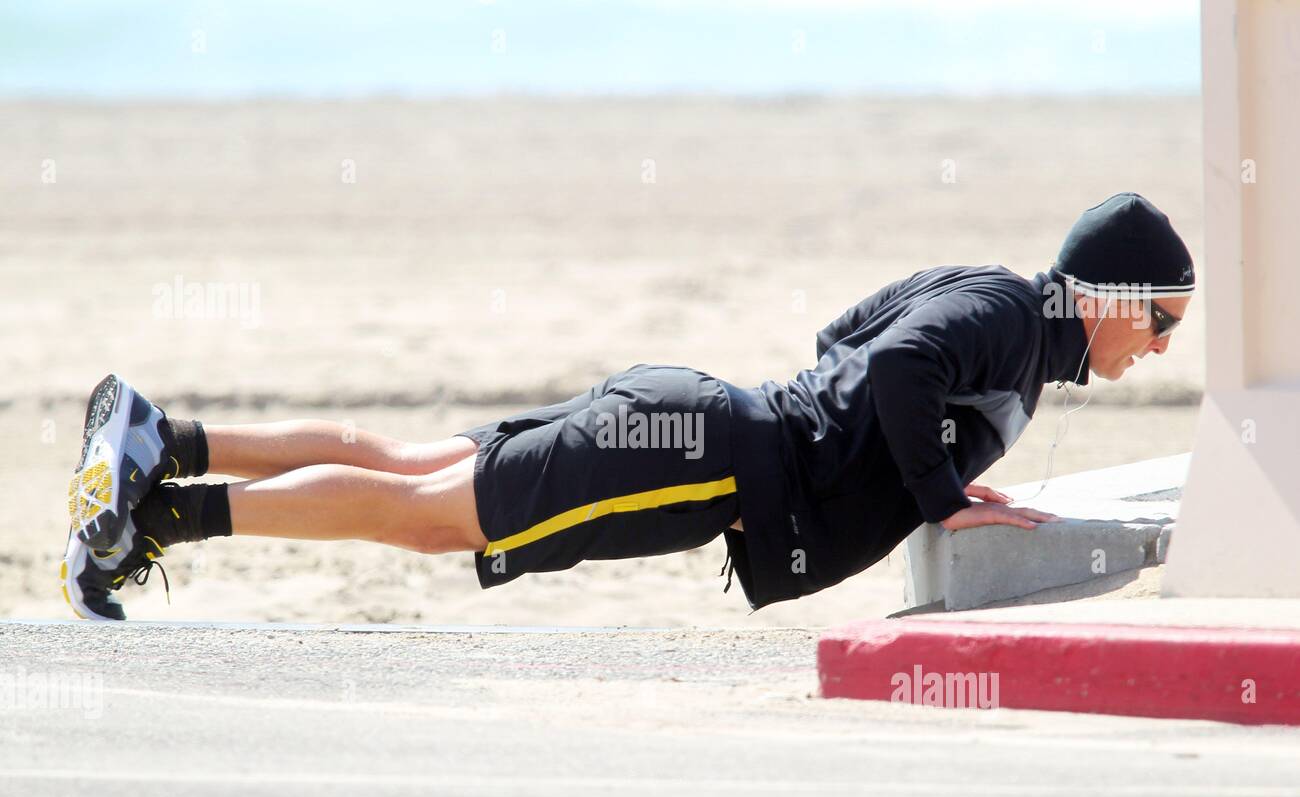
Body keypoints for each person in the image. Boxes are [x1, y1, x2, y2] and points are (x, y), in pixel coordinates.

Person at [61, 192, 1195, 620]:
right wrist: (938, 495)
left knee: (413, 465)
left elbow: (844, 340)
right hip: (708, 456)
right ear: (1113, 296)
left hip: (699, 421)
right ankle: (150, 519)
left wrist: (918, 470)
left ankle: (161, 443)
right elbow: (892, 368)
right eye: (1163, 320)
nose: (1159, 346)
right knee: (427, 514)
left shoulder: (1002, 315)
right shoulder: (1008, 316)